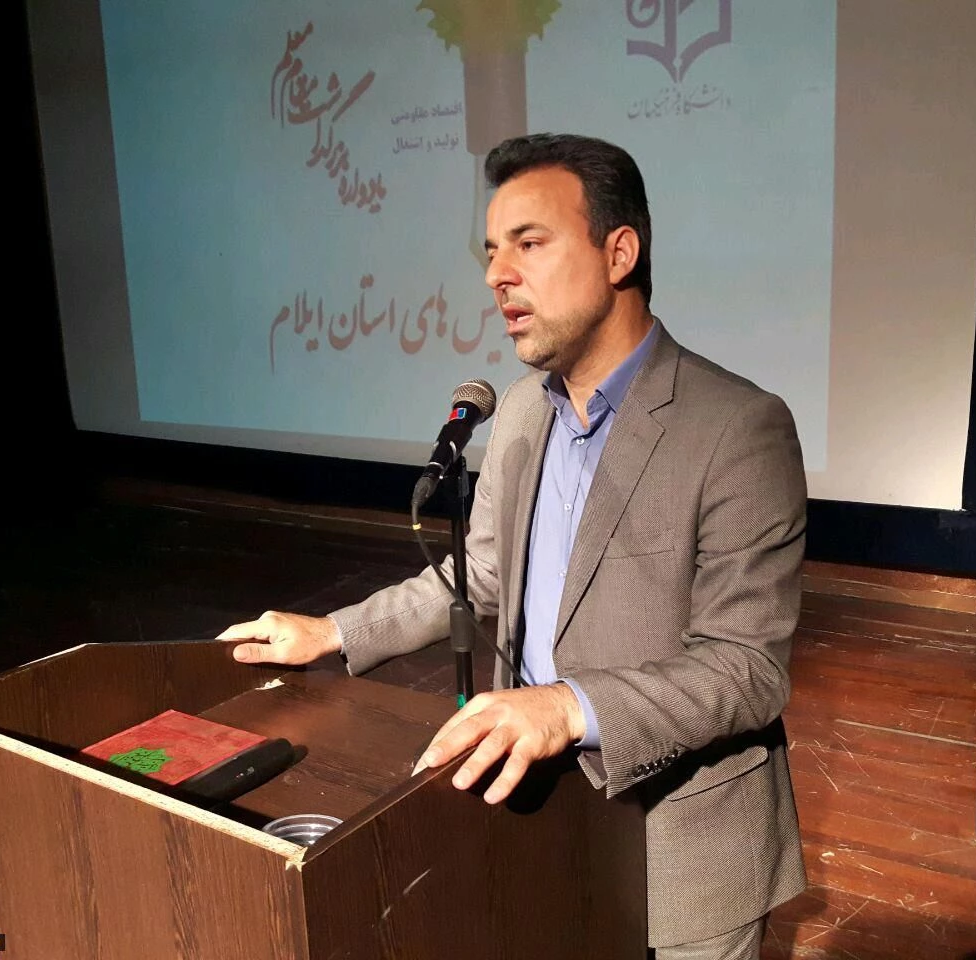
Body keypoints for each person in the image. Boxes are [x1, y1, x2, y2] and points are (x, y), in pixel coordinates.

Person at [219, 133, 807, 959]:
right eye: (492, 251)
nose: (497, 274)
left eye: (529, 243)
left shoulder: (738, 427)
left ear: (619, 253)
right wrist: (334, 632)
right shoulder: (525, 411)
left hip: (681, 842)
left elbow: (746, 668)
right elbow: (485, 571)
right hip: (537, 816)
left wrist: (567, 706)